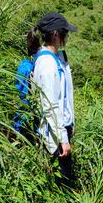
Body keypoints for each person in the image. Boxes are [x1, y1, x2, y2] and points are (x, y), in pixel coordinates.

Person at [30, 12, 77, 183]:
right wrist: (63, 139)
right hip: (54, 135)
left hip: (59, 130)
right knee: (62, 184)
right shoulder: (48, 64)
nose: (67, 37)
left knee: (63, 180)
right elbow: (50, 105)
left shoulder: (54, 59)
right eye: (65, 33)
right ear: (56, 34)